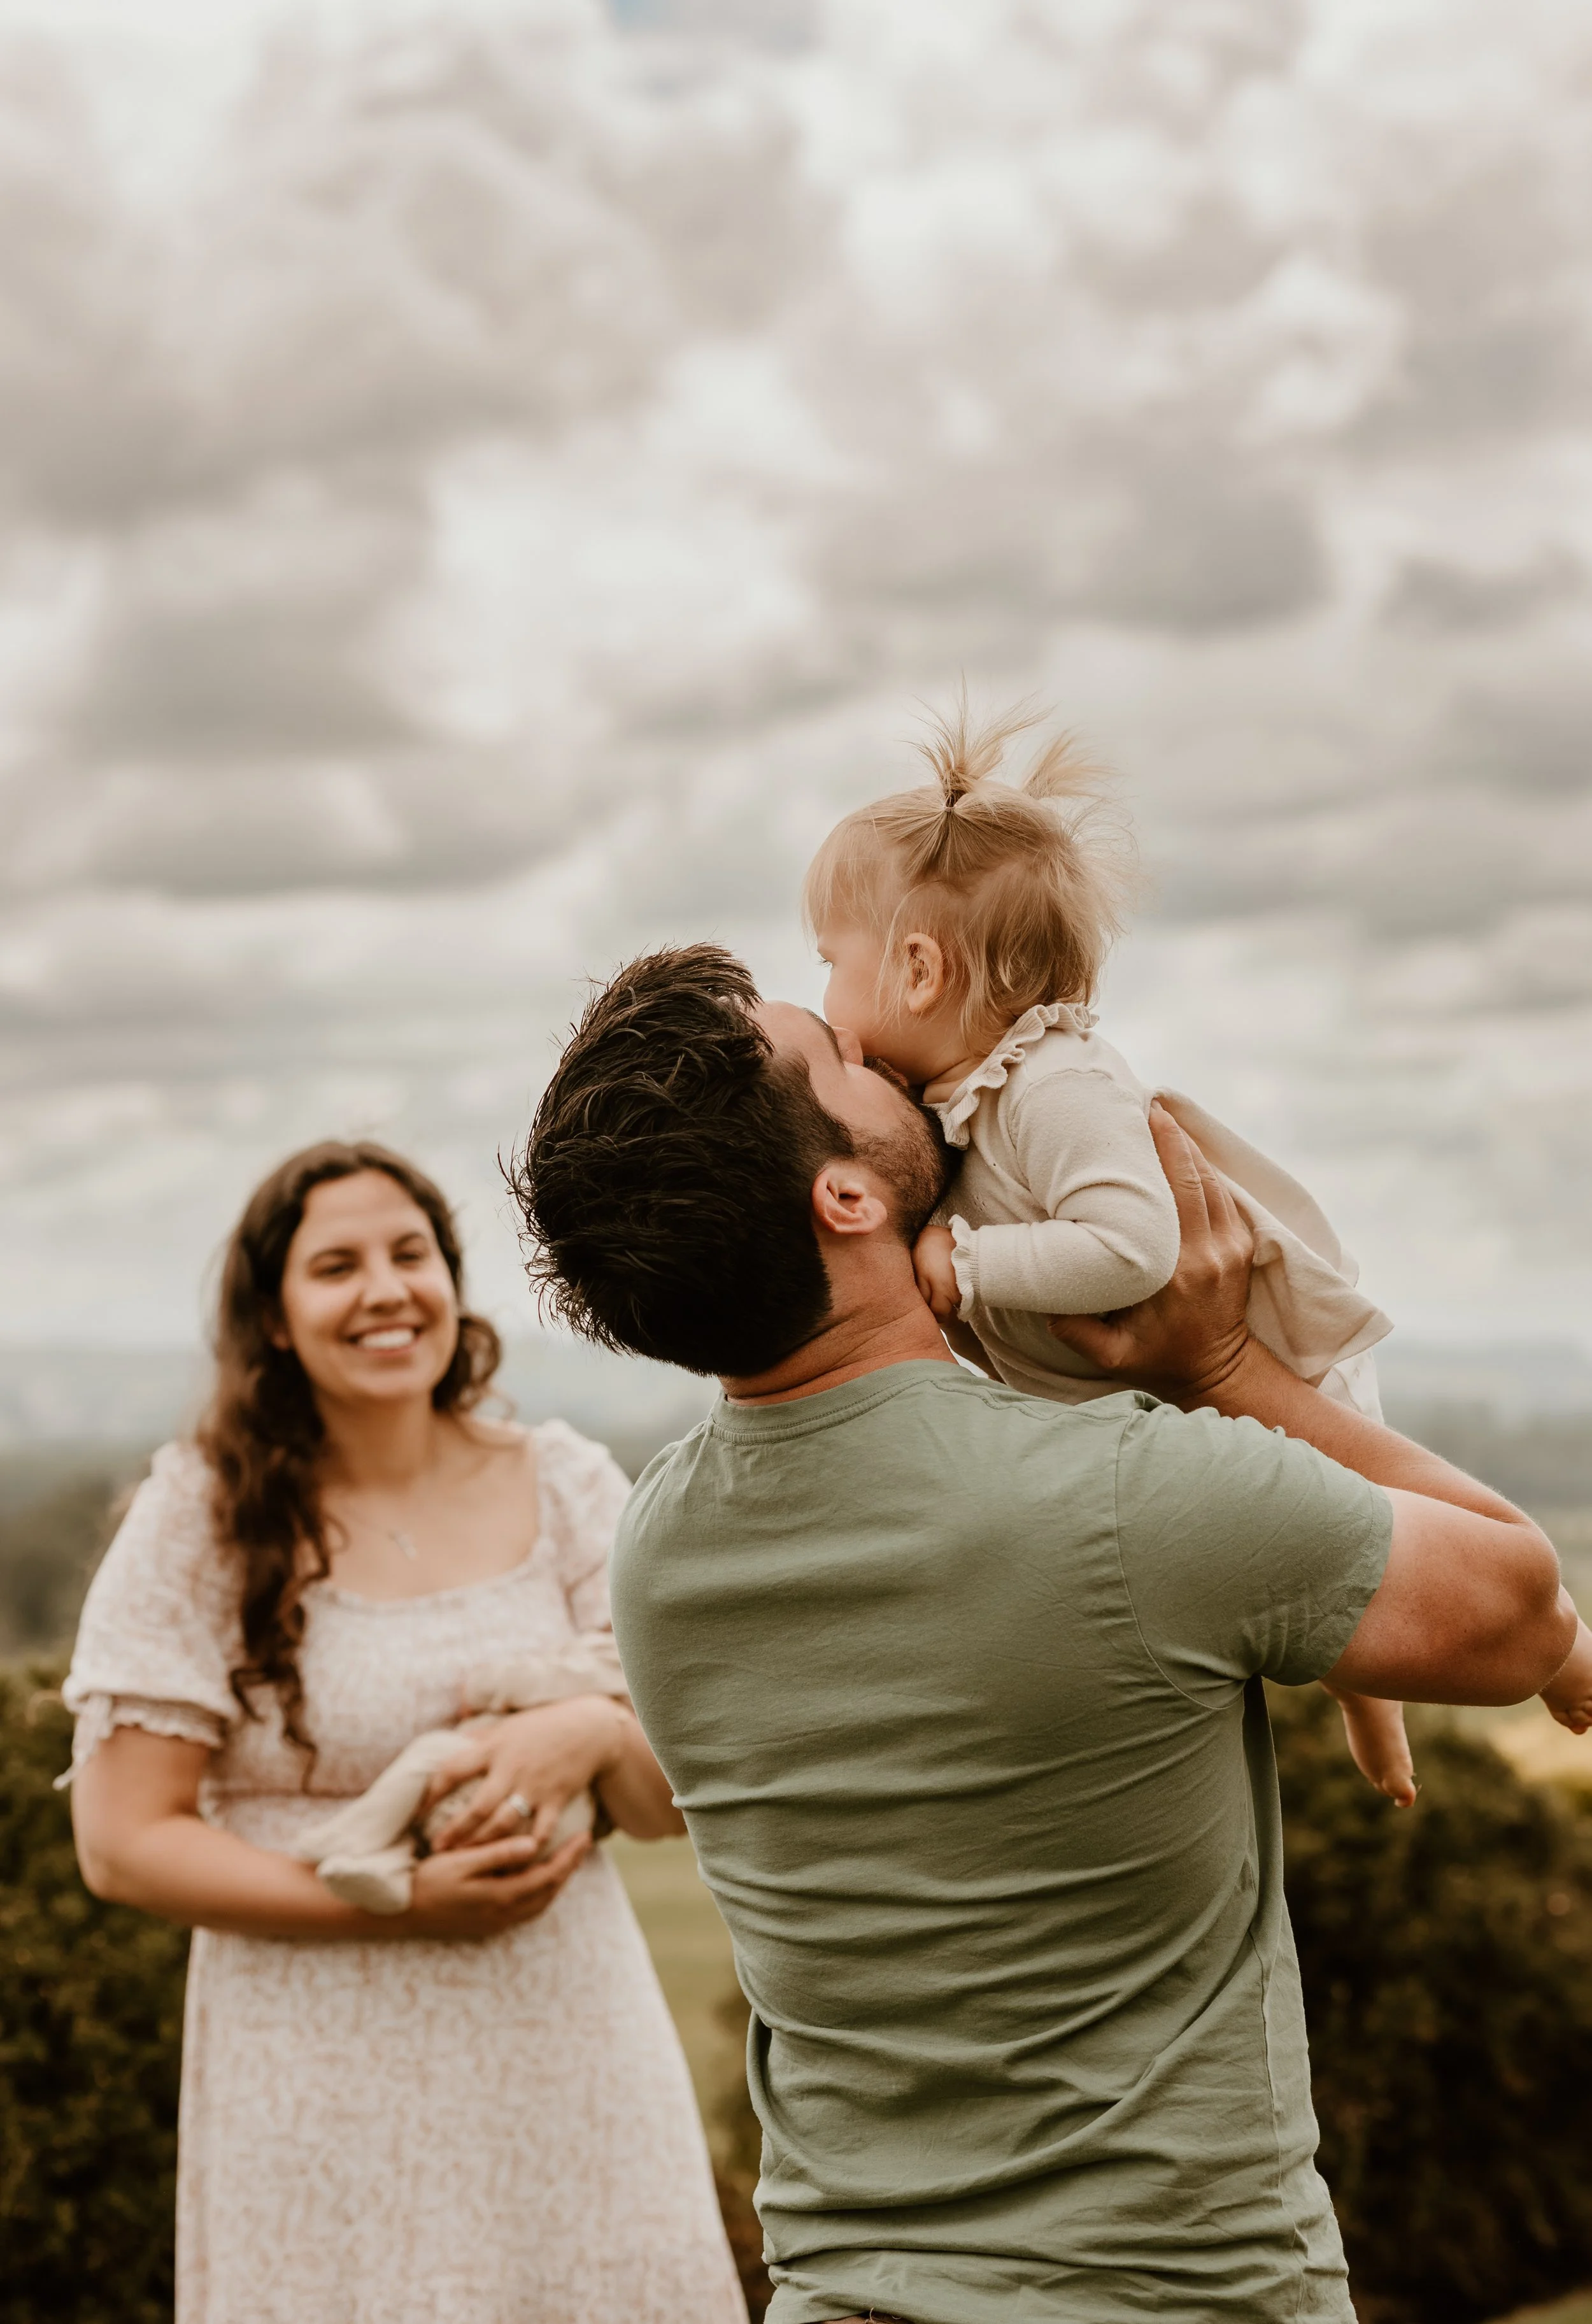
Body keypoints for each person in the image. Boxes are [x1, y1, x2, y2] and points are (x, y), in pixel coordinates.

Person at [510, 944, 1591, 2324]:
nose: (880, 1051)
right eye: (840, 1062)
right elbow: (1517, 1609)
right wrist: (1221, 1369)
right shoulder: (1123, 1496)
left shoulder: (657, 1549)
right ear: (842, 1197)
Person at [64, 1139, 746, 2324]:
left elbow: (676, 1804)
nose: (386, 1290)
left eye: (410, 1253)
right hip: (314, 2066)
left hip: (566, 2039)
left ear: (452, 1281)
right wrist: (400, 1900)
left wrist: (590, 1732)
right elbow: (124, 1842)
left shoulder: (571, 1484)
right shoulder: (202, 1512)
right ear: (275, 1318)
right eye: (337, 1265)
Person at [804, 700, 1434, 1802]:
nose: (826, 1001)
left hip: (1275, 1376)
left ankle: (1545, 1655)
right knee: (1315, 1559)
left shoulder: (1056, 1084)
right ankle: (1372, 1693)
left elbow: (1134, 1249)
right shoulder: (964, 1105)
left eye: (828, 963)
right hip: (1165, 1412)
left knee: (1380, 1539)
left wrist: (976, 1266)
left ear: (916, 970)